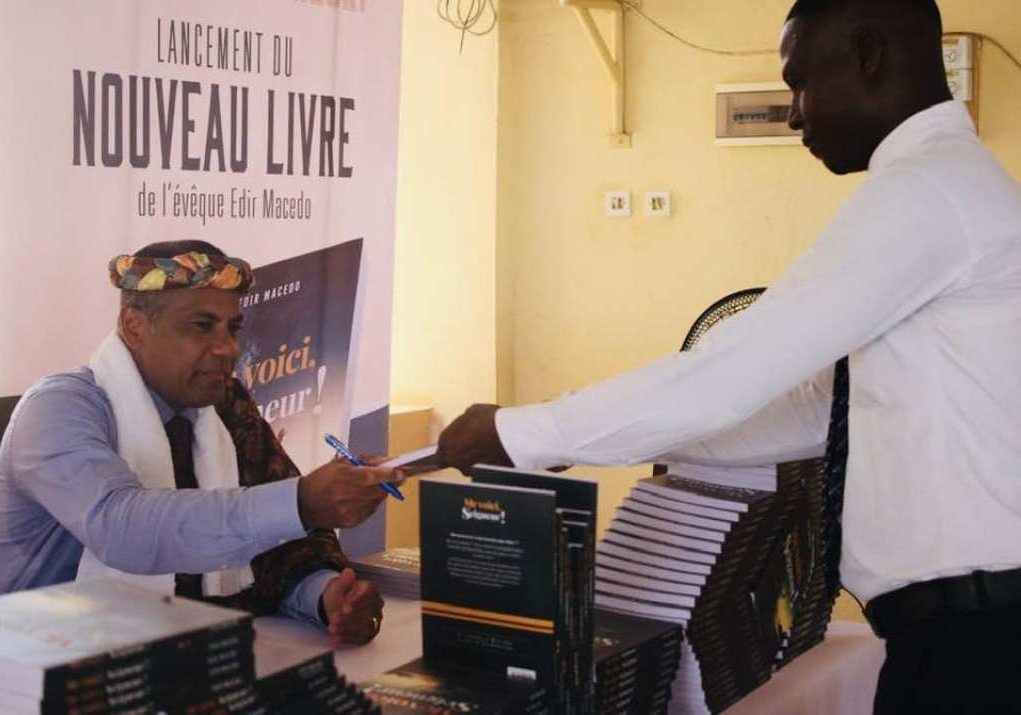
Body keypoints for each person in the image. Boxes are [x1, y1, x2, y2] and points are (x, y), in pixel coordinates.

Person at [437, 0, 1021, 711]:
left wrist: (522, 432)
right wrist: (585, 442)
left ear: (867, 53)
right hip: (962, 632)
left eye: (800, 83)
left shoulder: (926, 191)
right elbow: (815, 414)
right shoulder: (948, 183)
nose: (795, 114)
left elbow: (727, 375)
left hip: (977, 641)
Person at [0, 240, 406, 646]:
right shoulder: (58, 408)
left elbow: (276, 547)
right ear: (134, 327)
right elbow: (120, 529)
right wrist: (300, 502)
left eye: (233, 328)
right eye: (202, 326)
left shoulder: (227, 406)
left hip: (183, 656)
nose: (228, 349)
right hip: (35, 661)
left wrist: (325, 594)